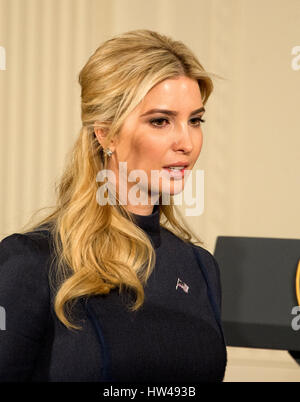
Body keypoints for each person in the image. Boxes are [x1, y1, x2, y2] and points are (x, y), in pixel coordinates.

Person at [0, 29, 227, 382]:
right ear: (105, 133)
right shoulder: (30, 263)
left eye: (195, 120)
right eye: (160, 121)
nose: (187, 142)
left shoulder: (201, 269)